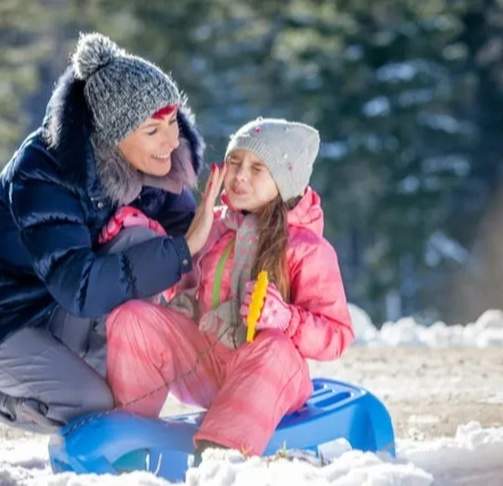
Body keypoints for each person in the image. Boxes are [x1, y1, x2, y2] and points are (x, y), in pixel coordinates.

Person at [0, 31, 221, 478]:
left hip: (51, 304)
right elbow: (80, 285)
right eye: (153, 130)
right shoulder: (44, 171)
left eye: (172, 122)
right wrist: (183, 251)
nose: (170, 141)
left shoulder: (140, 164)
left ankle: (88, 385)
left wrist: (249, 236)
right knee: (92, 404)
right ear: (113, 133)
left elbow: (190, 231)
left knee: (146, 242)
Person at [105, 117, 355, 459]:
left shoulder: (307, 248)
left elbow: (337, 335)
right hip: (207, 362)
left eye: (256, 168)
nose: (238, 176)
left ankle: (218, 458)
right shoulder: (216, 225)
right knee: (132, 317)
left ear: (285, 180)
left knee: (275, 347)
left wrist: (286, 319)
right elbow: (185, 290)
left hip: (269, 378)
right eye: (234, 162)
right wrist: (148, 236)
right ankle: (128, 443)